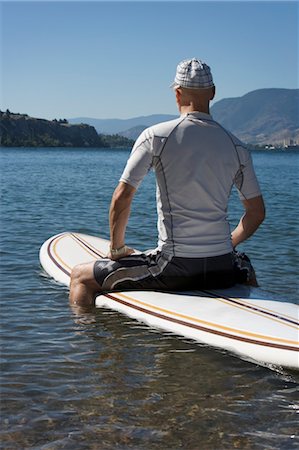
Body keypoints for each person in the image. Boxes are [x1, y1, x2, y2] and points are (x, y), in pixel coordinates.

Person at [69, 58, 265, 307]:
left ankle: (95, 345)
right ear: (213, 93)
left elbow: (122, 196)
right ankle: (258, 315)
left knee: (80, 277)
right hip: (223, 266)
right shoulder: (237, 147)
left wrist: (117, 249)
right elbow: (256, 213)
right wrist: (228, 244)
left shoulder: (156, 136)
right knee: (245, 265)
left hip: (175, 268)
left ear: (177, 93)